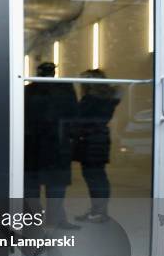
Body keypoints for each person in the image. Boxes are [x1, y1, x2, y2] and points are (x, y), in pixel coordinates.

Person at [24, 62, 80, 231]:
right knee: (53, 185)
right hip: (53, 142)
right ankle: (53, 221)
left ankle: (38, 221)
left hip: (35, 142)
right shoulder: (65, 89)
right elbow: (74, 115)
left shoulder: (29, 90)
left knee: (35, 186)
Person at [73, 69, 120, 223]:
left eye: (84, 81)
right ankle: (98, 210)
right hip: (97, 140)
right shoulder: (105, 98)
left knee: (95, 177)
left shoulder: (93, 99)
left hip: (91, 141)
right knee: (96, 176)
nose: (81, 84)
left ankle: (99, 211)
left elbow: (80, 119)